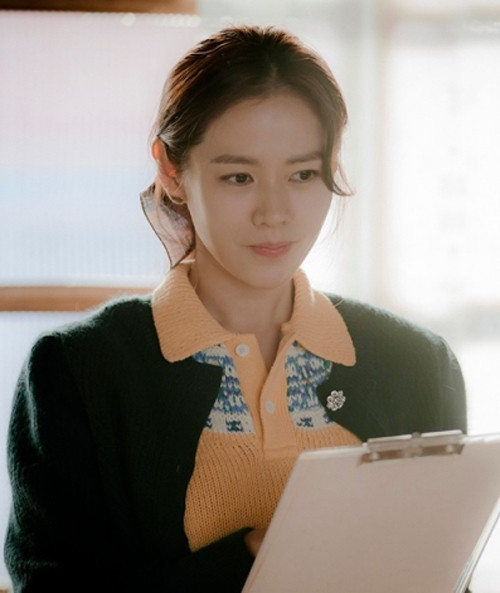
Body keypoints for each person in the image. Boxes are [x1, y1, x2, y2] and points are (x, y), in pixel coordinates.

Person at [4, 24, 466, 593]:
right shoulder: (79, 371)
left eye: (303, 173)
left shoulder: (416, 363)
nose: (275, 213)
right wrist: (256, 552)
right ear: (172, 172)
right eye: (239, 177)